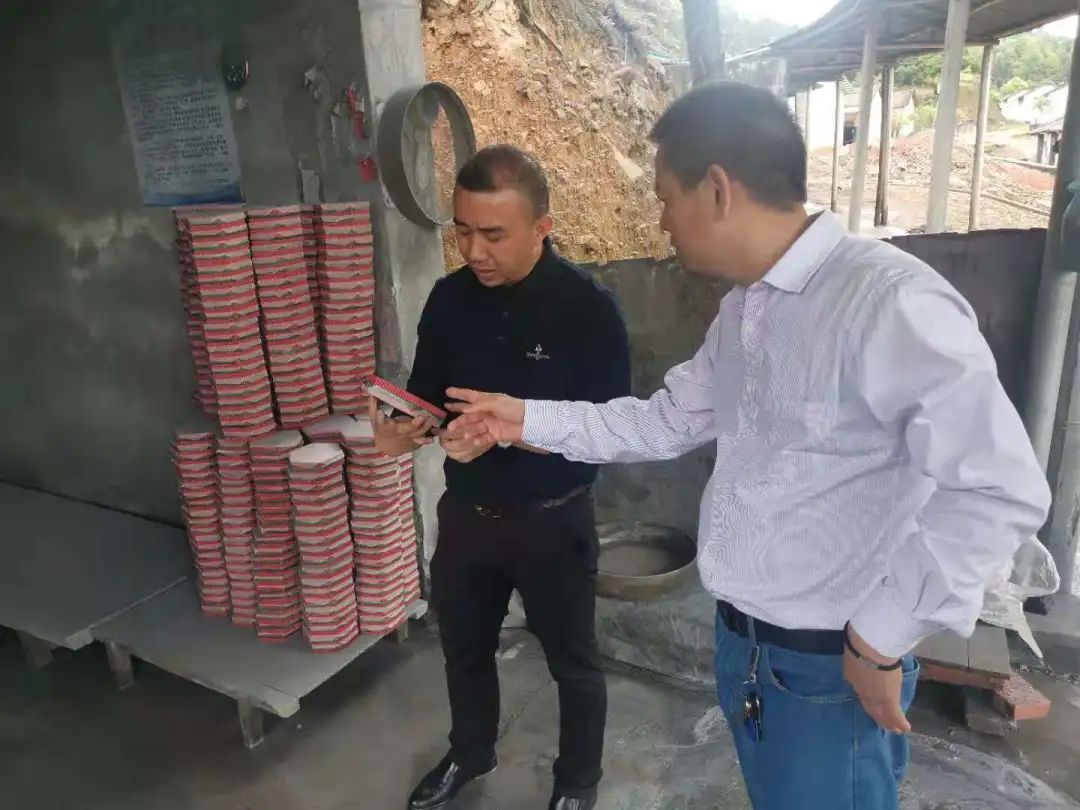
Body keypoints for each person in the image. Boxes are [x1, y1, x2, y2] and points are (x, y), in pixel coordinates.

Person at [441, 82, 1052, 810]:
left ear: (718, 190)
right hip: (748, 644)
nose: (661, 222)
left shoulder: (887, 302)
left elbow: (997, 489)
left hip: (829, 662)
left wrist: (882, 637)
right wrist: (524, 419)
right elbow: (664, 421)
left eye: (666, 198)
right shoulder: (746, 312)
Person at [371, 145, 631, 810]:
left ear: (542, 227)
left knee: (573, 663)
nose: (473, 251)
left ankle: (577, 783)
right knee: (463, 648)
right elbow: (429, 399)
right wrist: (404, 431)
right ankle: (470, 751)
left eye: (493, 234)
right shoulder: (450, 299)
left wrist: (513, 431)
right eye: (462, 231)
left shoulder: (587, 309)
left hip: (553, 520)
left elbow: (612, 429)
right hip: (468, 516)